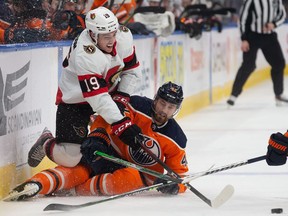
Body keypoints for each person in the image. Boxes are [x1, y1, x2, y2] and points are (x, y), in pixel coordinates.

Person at [4, 82, 189, 201]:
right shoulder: (136, 105)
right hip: (106, 151)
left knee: (128, 180)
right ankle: (37, 184)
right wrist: (98, 135)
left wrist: (175, 186)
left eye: (170, 107)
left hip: (131, 173)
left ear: (176, 109)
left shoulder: (176, 137)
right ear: (155, 100)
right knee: (77, 166)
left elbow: (181, 176)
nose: (164, 110)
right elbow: (109, 115)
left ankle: (73, 190)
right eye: (162, 104)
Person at [27, 7, 142, 169]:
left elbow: (132, 71)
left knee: (139, 120)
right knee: (70, 158)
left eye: (113, 34)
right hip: (76, 100)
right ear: (93, 35)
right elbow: (97, 98)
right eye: (106, 36)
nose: (112, 40)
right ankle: (46, 141)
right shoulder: (85, 54)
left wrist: (121, 97)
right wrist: (121, 123)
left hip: (108, 92)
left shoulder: (123, 37)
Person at [226, 0, 287, 106]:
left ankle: (278, 94)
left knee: (279, 63)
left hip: (269, 36)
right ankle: (233, 95)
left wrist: (274, 24)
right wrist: (244, 39)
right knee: (248, 65)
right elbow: (243, 19)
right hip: (252, 36)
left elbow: (282, 14)